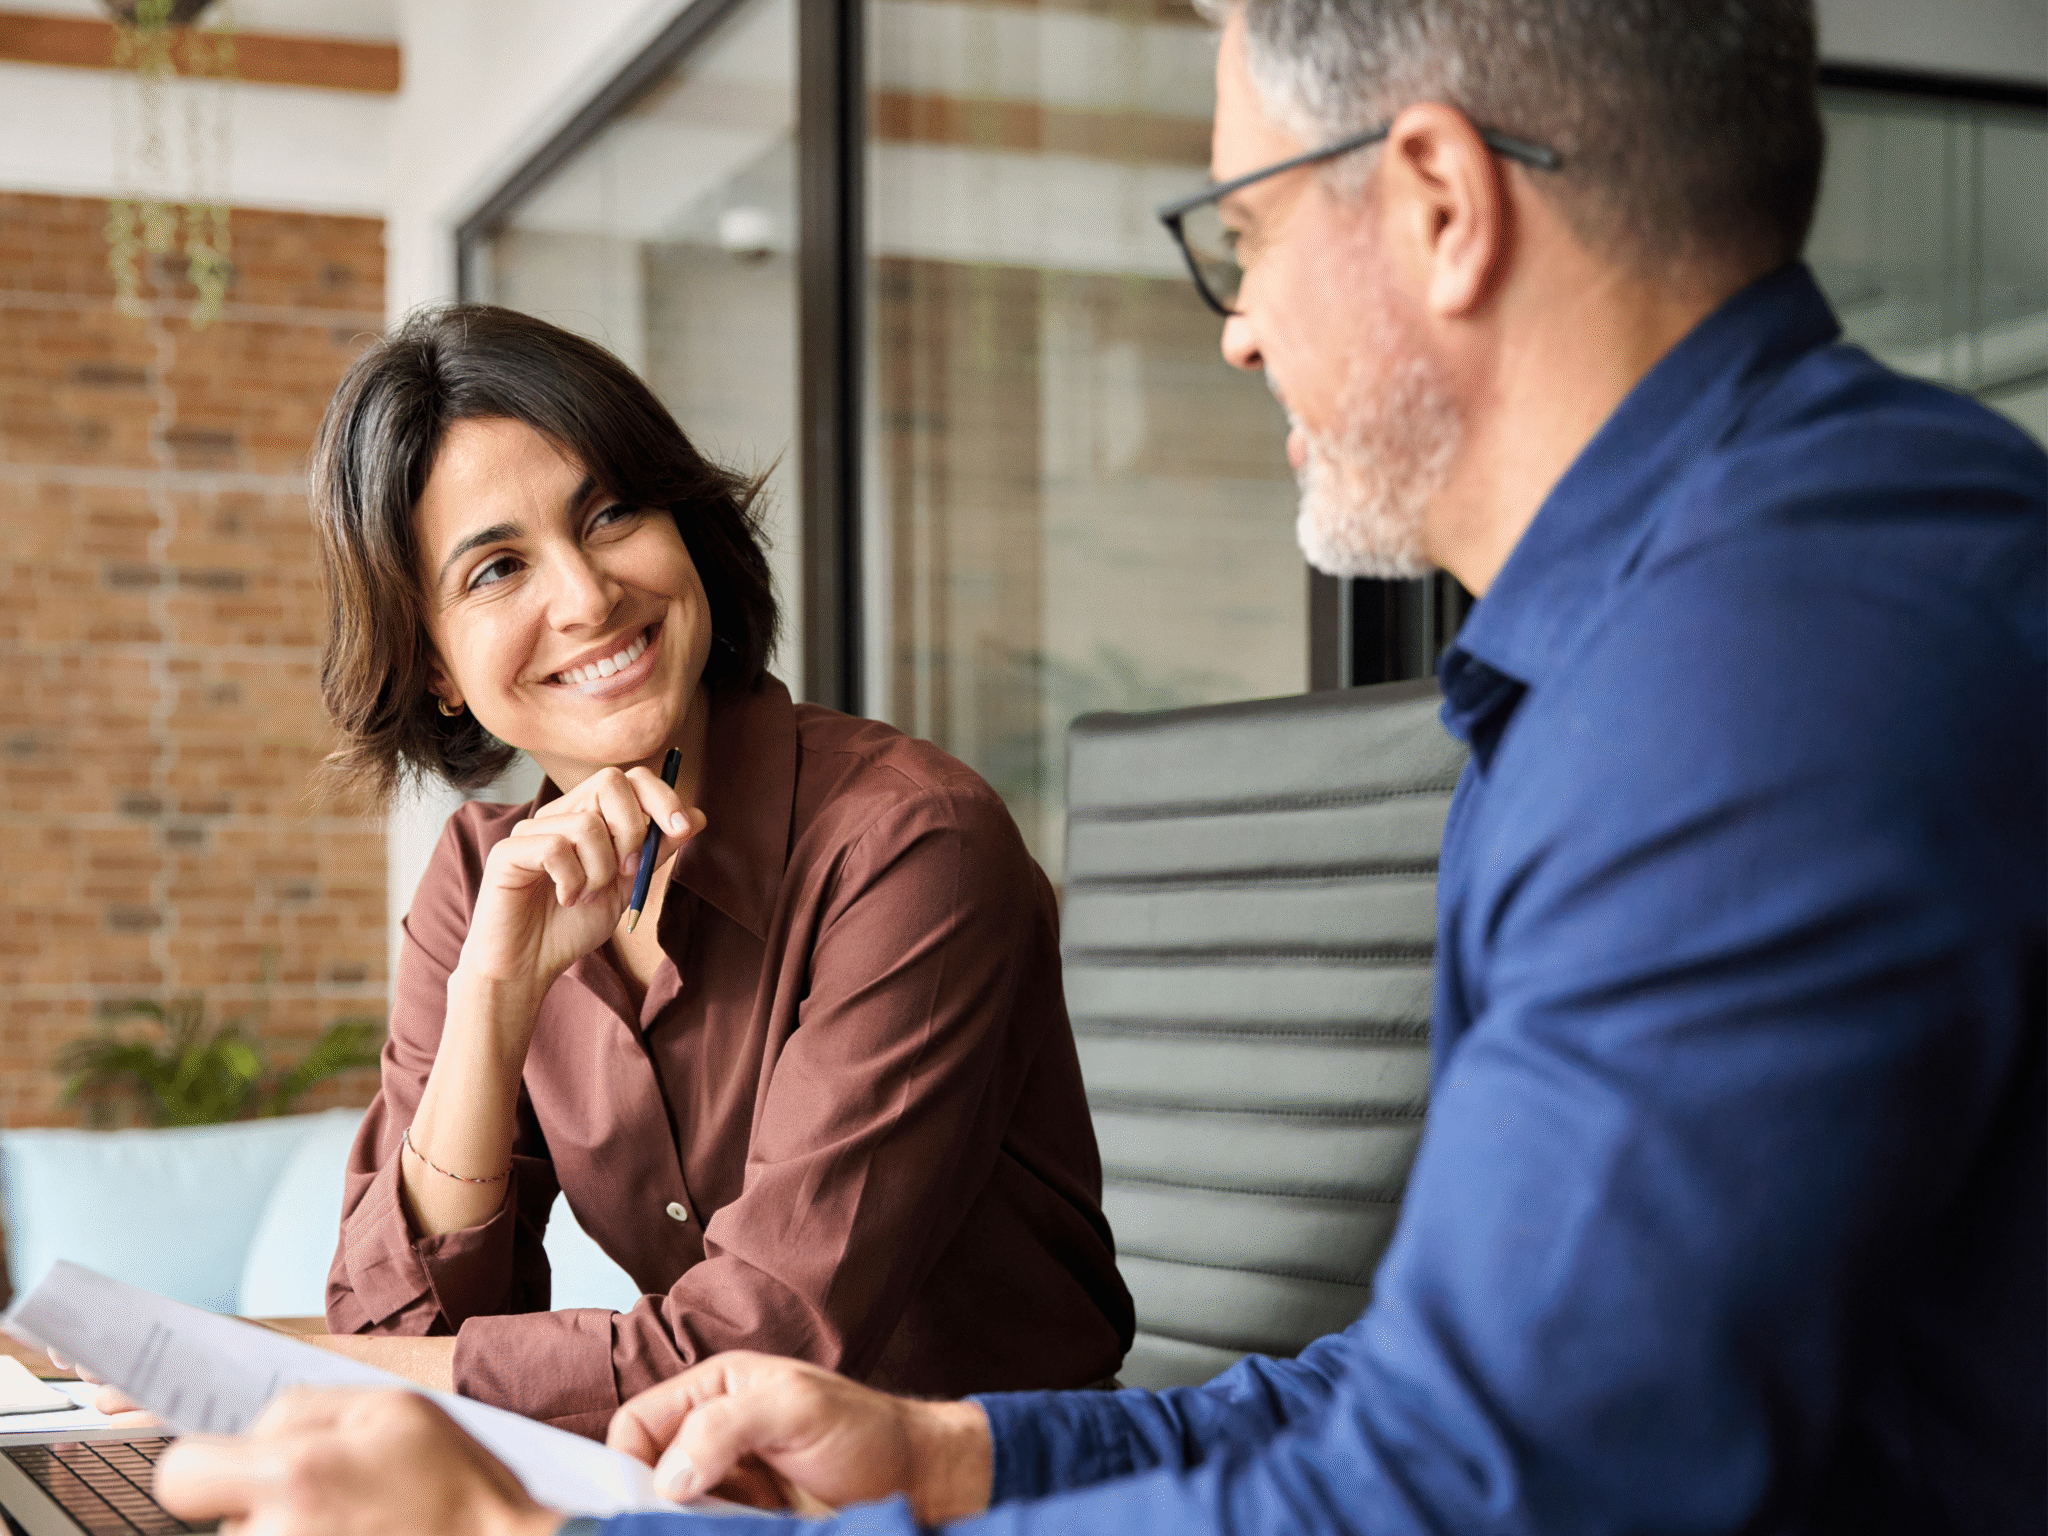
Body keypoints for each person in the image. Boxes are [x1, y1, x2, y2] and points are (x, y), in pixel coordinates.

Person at [150, 0, 2044, 1530]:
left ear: (1440, 204)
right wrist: (963, 1462)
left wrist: (532, 1533)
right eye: (491, 570)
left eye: (1243, 232)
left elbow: (1494, 1483)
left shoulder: (1754, 672)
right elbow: (1434, 1390)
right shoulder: (1665, 635)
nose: (1234, 327)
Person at [297, 305, 1134, 1435]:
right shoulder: (482, 886)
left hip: (992, 1499)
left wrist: (317, 1371)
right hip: (701, 1492)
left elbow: (757, 1349)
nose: (587, 598)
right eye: (497, 568)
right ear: (431, 667)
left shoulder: (909, 847)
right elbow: (396, 1332)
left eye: (610, 514)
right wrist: (493, 1003)